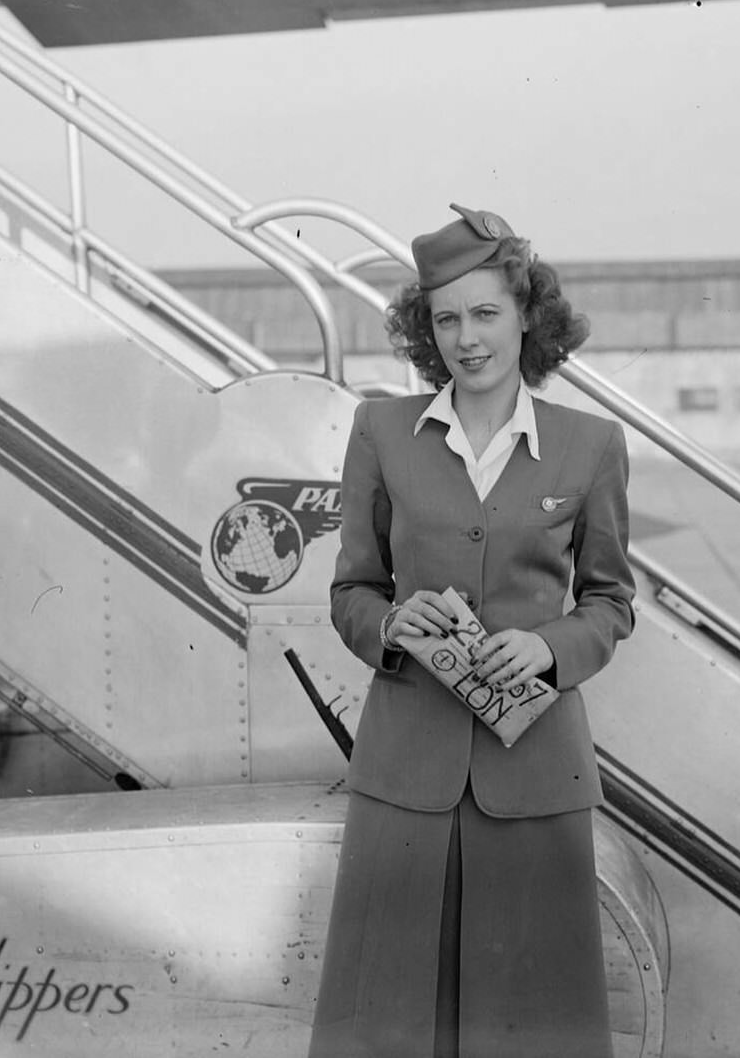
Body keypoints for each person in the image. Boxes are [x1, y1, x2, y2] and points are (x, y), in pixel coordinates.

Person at [309, 204, 637, 1058]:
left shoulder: (591, 446)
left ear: (528, 315)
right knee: (389, 1027)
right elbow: (351, 590)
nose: (468, 338)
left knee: (535, 1029)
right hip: (404, 774)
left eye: (486, 313)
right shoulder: (380, 432)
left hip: (535, 779)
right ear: (427, 331)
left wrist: (548, 650)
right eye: (446, 318)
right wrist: (389, 623)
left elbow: (611, 603)